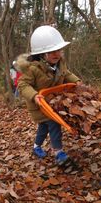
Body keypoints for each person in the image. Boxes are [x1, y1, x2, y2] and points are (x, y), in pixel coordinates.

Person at [17, 25, 81, 166]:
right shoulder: (32, 68)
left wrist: (77, 82)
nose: (56, 54)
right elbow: (22, 85)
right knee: (53, 125)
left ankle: (36, 147)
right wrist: (34, 96)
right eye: (52, 52)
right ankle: (59, 153)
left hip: (53, 103)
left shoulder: (59, 64)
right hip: (39, 105)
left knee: (44, 128)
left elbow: (67, 74)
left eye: (58, 50)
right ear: (42, 54)